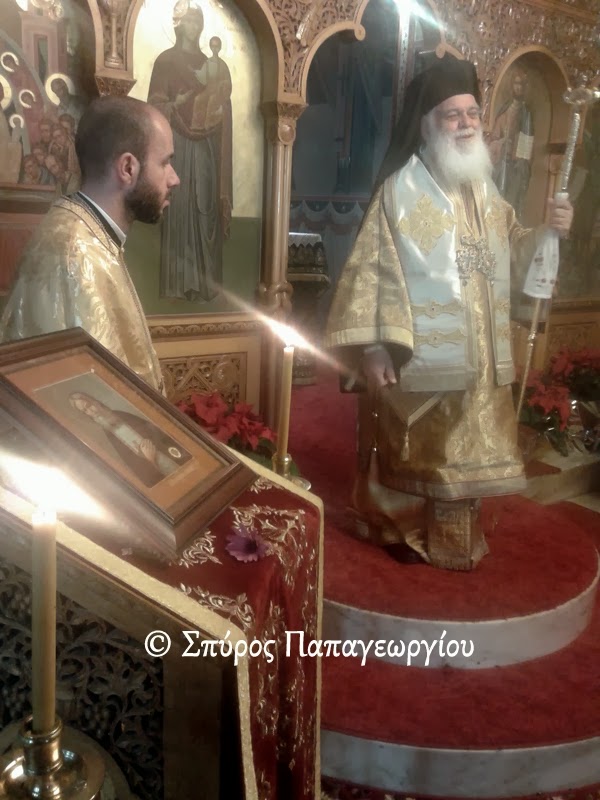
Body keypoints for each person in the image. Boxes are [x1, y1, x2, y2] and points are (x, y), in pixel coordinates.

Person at [325, 55, 573, 571]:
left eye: (473, 113)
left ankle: (459, 532)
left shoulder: (485, 188)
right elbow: (371, 271)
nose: (466, 124)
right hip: (420, 360)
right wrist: (374, 346)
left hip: (481, 363)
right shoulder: (400, 192)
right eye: (452, 114)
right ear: (427, 125)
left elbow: (515, 247)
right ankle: (402, 527)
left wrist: (548, 232)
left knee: (467, 454)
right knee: (422, 450)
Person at [0, 95, 180, 393]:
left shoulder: (88, 234)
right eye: (165, 162)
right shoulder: (75, 253)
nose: (174, 179)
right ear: (128, 168)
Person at [147, 3, 233, 302]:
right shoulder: (166, 61)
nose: (194, 26)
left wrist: (217, 105)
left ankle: (207, 286)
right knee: (179, 205)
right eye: (189, 20)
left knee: (205, 204)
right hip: (176, 146)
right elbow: (152, 109)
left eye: (198, 21)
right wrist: (176, 104)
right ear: (178, 24)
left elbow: (223, 100)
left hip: (206, 144)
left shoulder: (213, 65)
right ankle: (178, 286)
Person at [69, 392, 192, 488]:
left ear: (94, 402)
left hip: (170, 456)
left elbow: (154, 431)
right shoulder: (108, 432)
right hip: (157, 468)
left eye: (88, 405)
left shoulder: (120, 415)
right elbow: (132, 463)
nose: (90, 412)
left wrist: (152, 448)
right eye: (85, 411)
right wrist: (150, 459)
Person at [488, 68, 534, 221]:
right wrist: (502, 142)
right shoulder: (504, 111)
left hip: (517, 168)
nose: (518, 87)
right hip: (502, 165)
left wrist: (521, 160)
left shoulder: (527, 114)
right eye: (516, 84)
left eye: (521, 84)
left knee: (512, 205)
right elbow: (493, 138)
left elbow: (528, 144)